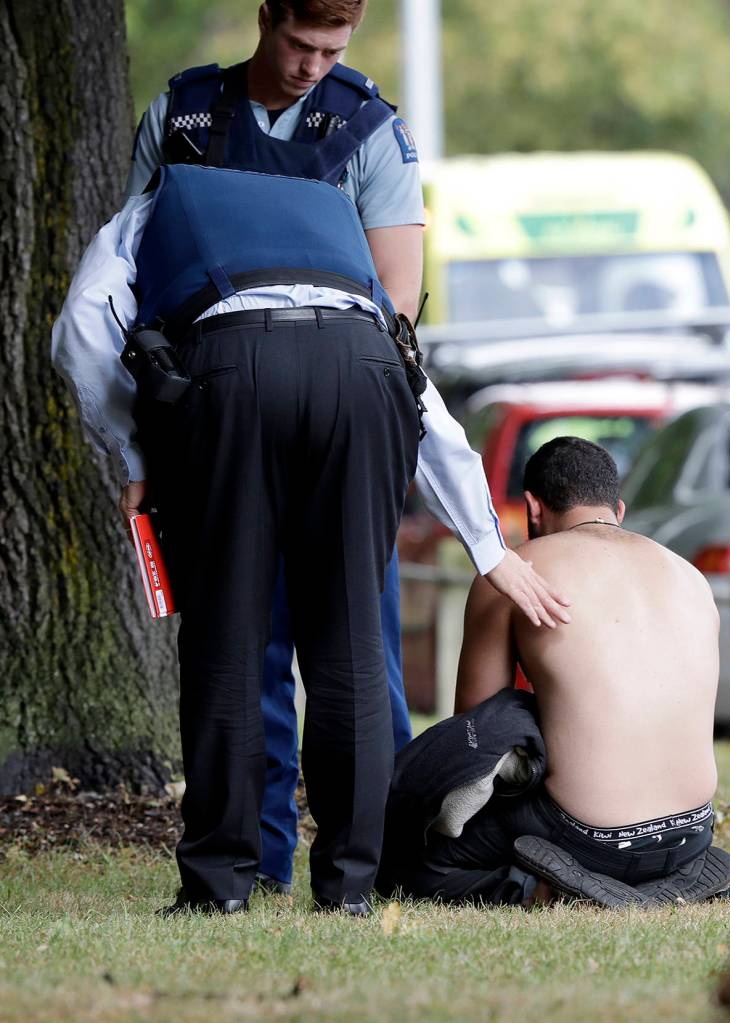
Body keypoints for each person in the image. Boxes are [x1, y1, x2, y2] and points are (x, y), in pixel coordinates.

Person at [51, 161, 570, 917]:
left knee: (227, 640)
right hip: (361, 374)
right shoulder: (334, 219)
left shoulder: (158, 199)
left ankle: (219, 886)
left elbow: (82, 324)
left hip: (230, 369)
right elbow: (415, 389)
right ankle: (349, 889)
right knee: (352, 645)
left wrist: (135, 452)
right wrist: (490, 552)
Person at [124, 0, 423, 896]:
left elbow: (397, 304)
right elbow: (132, 272)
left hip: (313, 389)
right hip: (233, 391)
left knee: (349, 640)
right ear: (265, 19)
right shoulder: (181, 117)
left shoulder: (370, 128)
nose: (311, 66)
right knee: (242, 643)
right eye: (299, 44)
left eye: (334, 50)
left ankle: (368, 863)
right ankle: (259, 861)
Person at [379, 437, 730, 908]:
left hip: (585, 836)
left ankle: (540, 890)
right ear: (618, 509)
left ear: (532, 508)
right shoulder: (690, 576)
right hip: (692, 833)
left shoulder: (517, 572)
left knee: (400, 866)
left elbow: (477, 734)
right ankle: (666, 883)